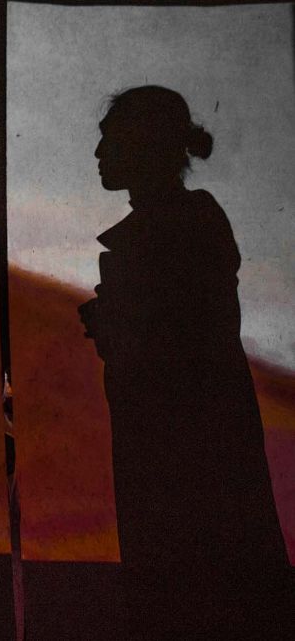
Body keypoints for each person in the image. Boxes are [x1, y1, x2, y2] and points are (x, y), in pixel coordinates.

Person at [78, 85, 289, 637]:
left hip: (184, 452)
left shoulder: (181, 226)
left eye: (109, 140)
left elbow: (173, 344)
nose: (98, 153)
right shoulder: (186, 223)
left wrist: (112, 320)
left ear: (142, 144)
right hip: (180, 444)